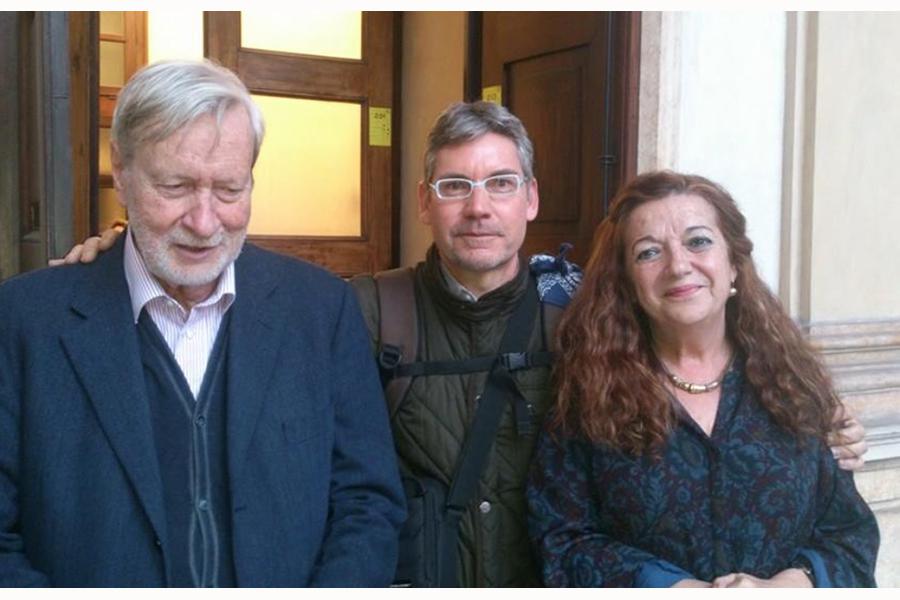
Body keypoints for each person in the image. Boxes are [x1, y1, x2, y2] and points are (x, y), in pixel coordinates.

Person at [52, 104, 871, 587]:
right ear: (424, 202)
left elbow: (705, 349)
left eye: (499, 184)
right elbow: (231, 334)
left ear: (530, 199)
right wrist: (119, 251)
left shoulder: (589, 317)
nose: (478, 208)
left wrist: (815, 425)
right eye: (454, 186)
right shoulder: (355, 310)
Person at [0, 59, 405, 587]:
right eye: (174, 187)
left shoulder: (321, 310)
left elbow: (367, 502)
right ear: (120, 170)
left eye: (230, 190)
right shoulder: (26, 320)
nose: (204, 221)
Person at [527, 170, 879, 587]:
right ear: (627, 282)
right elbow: (561, 541)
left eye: (698, 242)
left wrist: (787, 586)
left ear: (733, 263)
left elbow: (849, 536)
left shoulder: (796, 385)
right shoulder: (586, 393)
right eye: (648, 253)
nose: (678, 266)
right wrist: (671, 588)